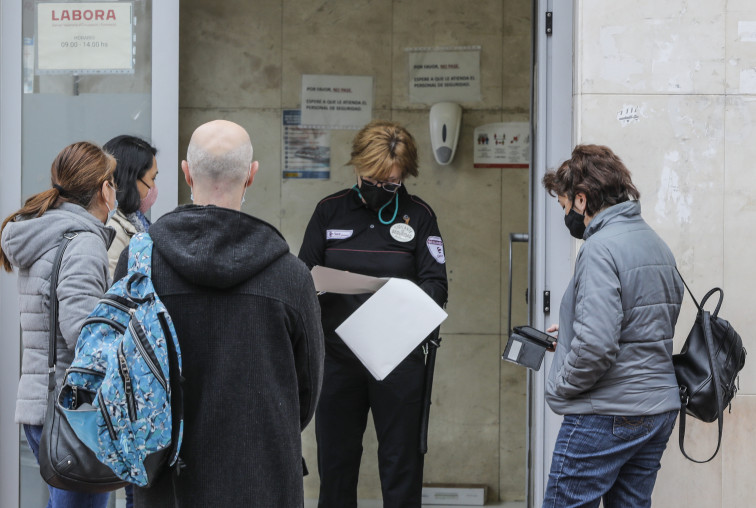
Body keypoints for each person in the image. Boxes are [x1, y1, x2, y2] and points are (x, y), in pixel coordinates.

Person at [113, 119, 324, 507]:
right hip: (263, 478)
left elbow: (123, 373)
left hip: (166, 480)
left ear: (186, 172)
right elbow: (306, 392)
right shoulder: (290, 276)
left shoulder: (139, 262)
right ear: (252, 175)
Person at [299, 120, 448, 507]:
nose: (381, 188)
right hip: (337, 359)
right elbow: (302, 279)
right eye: (373, 178)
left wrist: (398, 299)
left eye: (391, 183)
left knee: (401, 464)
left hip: (397, 360)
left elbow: (436, 285)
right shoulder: (329, 212)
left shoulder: (420, 216)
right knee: (336, 464)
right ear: (357, 167)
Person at [541, 144, 684, 508]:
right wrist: (573, 331)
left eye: (564, 206)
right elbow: (642, 324)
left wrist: (560, 388)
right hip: (656, 411)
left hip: (606, 413)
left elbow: (597, 347)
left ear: (581, 200)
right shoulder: (656, 244)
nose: (566, 217)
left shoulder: (600, 247)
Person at [0, 142, 117, 508]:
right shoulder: (83, 243)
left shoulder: (48, 233)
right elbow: (83, 333)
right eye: (113, 182)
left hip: (45, 404)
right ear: (103, 189)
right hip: (74, 413)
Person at [103, 135, 159, 278]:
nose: (153, 187)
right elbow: (108, 291)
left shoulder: (131, 224)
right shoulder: (113, 230)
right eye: (152, 179)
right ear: (132, 179)